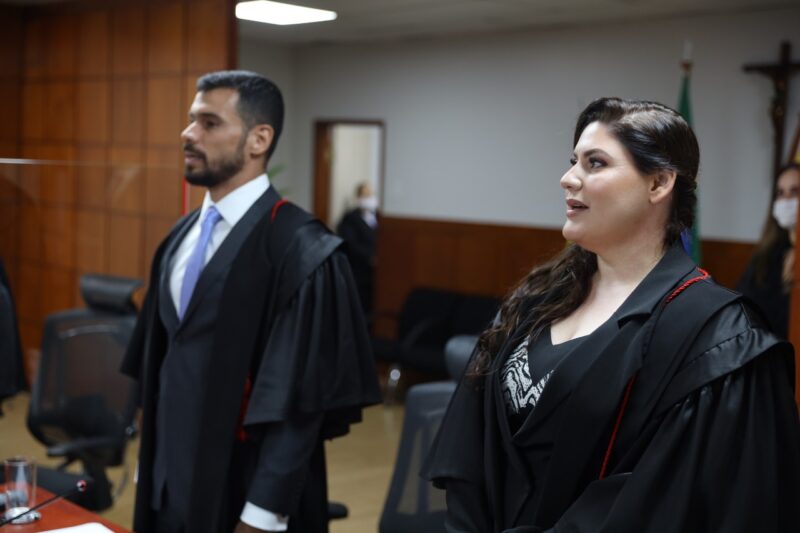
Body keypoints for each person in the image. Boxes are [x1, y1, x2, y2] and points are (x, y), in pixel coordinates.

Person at [423, 97, 800, 532]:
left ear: (659, 183)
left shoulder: (717, 336)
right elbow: (475, 440)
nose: (568, 178)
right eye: (573, 162)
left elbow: (667, 501)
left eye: (595, 163)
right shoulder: (538, 298)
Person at [121, 71, 381, 533]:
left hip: (244, 495)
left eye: (209, 123)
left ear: (259, 139)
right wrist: (151, 466)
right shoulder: (179, 237)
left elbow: (298, 407)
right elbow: (159, 363)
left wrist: (260, 517)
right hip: (167, 488)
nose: (188, 133)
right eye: (191, 119)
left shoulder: (300, 251)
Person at [737, 163, 799, 338]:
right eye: (780, 193)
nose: (786, 200)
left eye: (795, 191)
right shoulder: (767, 254)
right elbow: (743, 305)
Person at [336, 182, 378, 318]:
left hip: (377, 273)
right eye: (365, 195)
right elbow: (350, 244)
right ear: (358, 197)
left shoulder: (377, 216)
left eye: (370, 195)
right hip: (358, 271)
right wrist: (370, 257)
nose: (368, 198)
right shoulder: (350, 218)